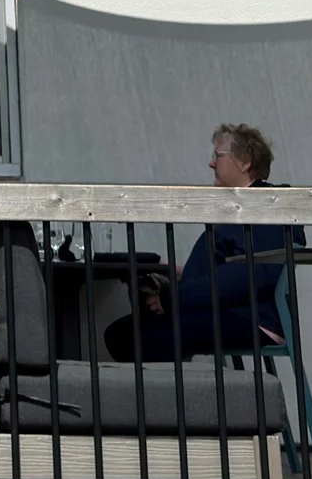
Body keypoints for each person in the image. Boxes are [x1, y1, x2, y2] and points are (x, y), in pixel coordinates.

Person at [103, 122, 290, 363]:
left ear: (244, 161)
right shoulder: (243, 210)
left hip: (250, 318)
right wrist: (171, 275)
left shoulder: (269, 205)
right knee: (128, 331)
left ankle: (176, 399)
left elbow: (252, 274)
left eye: (218, 156)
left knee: (129, 336)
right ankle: (176, 397)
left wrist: (173, 298)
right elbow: (228, 267)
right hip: (234, 312)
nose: (211, 163)